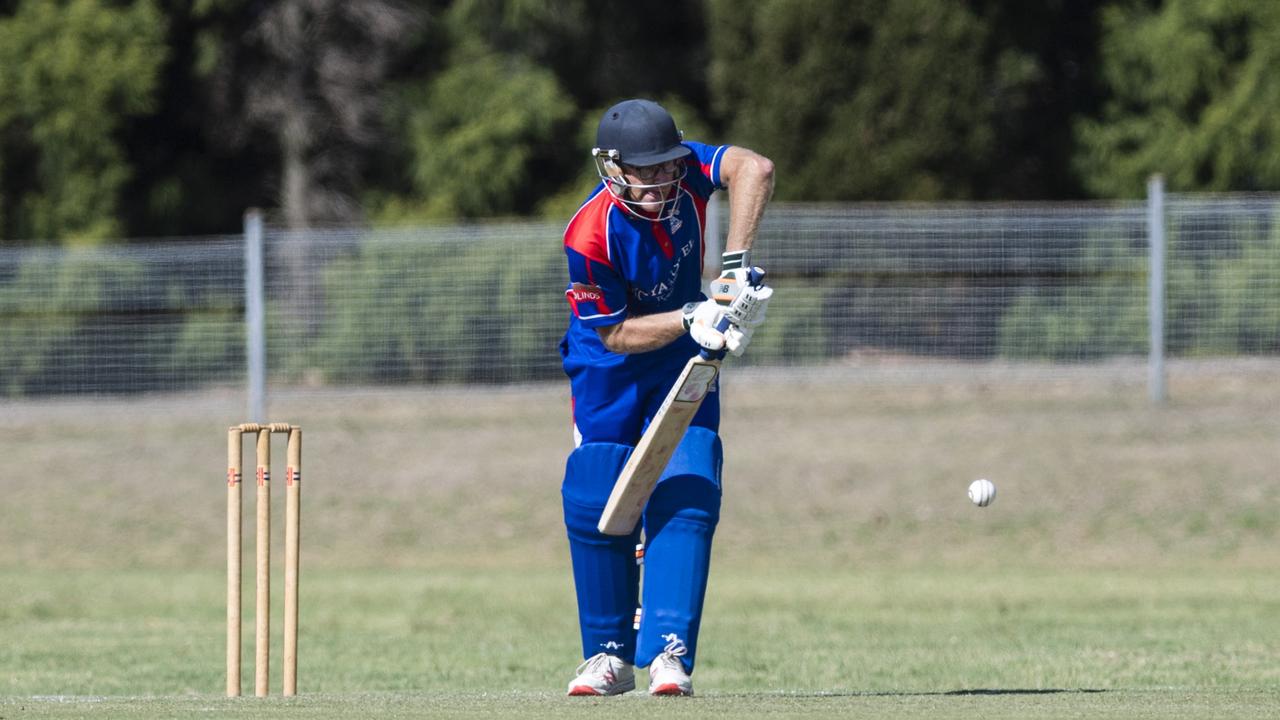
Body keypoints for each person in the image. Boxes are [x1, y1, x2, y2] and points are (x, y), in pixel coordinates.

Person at [558, 98, 775, 697]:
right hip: (610, 366)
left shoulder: (688, 178)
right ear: (612, 166)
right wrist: (690, 315)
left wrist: (732, 270)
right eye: (643, 170)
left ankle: (669, 655)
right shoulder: (590, 232)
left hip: (683, 357)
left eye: (666, 167)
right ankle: (606, 657)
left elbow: (754, 168)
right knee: (596, 489)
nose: (658, 182)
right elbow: (615, 333)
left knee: (690, 479)